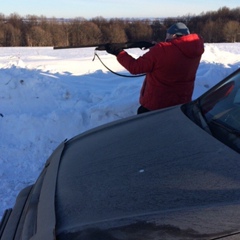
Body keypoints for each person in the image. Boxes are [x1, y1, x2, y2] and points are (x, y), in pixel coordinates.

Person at [105, 22, 204, 114]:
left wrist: (119, 53)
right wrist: (156, 49)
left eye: (168, 35)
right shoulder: (195, 50)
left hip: (157, 104)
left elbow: (135, 67)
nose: (166, 38)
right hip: (182, 103)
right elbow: (175, 55)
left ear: (173, 35)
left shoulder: (161, 50)